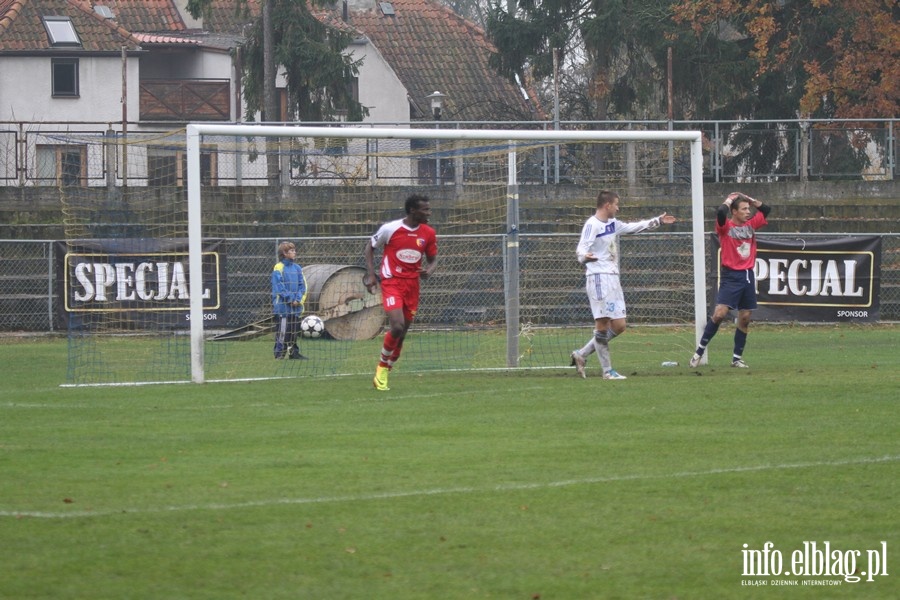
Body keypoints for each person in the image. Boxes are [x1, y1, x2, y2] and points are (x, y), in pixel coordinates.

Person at [570, 190, 677, 379]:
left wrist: (657, 221)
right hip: (598, 277)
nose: (618, 208)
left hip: (613, 277)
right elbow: (581, 248)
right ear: (607, 205)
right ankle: (607, 371)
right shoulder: (592, 224)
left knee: (619, 325)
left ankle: (582, 354)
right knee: (602, 323)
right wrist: (584, 258)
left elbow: (633, 227)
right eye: (616, 204)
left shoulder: (612, 224)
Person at [364, 194, 438, 391]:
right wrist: (371, 275)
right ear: (413, 211)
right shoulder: (391, 229)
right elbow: (370, 247)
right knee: (397, 326)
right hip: (392, 282)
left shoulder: (429, 233)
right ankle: (381, 367)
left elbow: (433, 260)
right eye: (425, 210)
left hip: (412, 286)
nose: (429, 213)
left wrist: (428, 271)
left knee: (402, 333)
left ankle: (388, 366)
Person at [690, 192, 770, 368]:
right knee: (719, 314)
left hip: (747, 275)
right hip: (731, 275)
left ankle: (736, 358)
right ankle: (699, 352)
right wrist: (729, 199)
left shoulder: (751, 225)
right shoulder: (725, 227)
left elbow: (766, 209)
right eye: (743, 209)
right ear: (734, 212)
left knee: (745, 317)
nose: (748, 212)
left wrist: (749, 199)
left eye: (748, 209)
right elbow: (720, 212)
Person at [271, 241, 308, 360]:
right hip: (283, 307)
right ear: (284, 253)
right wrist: (290, 299)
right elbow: (279, 287)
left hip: (296, 306)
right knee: (283, 331)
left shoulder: (297, 268)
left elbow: (303, 286)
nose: (294, 252)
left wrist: (297, 299)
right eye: (291, 251)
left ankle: (293, 353)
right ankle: (279, 353)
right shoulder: (279, 267)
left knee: (293, 331)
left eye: (294, 250)